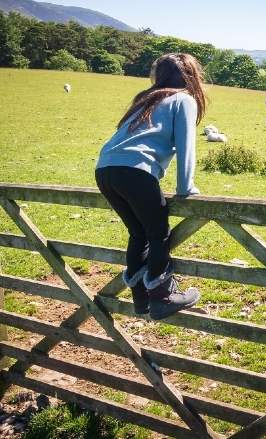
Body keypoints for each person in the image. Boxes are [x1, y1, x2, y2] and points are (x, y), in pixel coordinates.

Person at [95, 52, 205, 320]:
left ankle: (141, 300)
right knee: (158, 234)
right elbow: (186, 147)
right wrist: (185, 188)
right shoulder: (183, 99)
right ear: (191, 76)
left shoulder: (146, 98)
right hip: (136, 171)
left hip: (105, 169)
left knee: (139, 233)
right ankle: (163, 296)